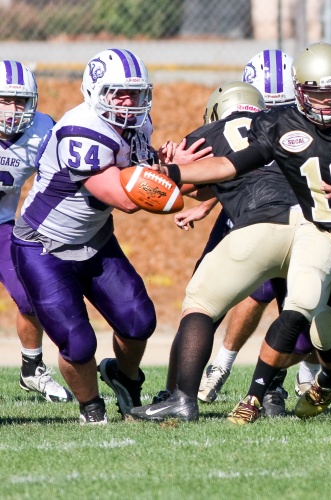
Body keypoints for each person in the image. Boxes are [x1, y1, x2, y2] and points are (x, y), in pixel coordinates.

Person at [130, 42, 331, 425]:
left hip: (315, 232)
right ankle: (289, 390)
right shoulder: (299, 121)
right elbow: (234, 168)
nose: (328, 102)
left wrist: (173, 174)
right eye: (319, 92)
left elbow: (228, 169)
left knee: (204, 300)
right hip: (319, 230)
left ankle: (186, 396)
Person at [10, 48, 200, 424]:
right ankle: (91, 408)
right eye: (119, 93)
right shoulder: (81, 131)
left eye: (136, 93)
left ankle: (124, 377)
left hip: (95, 240)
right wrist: (175, 176)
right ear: (95, 91)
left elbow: (147, 171)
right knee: (78, 343)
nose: (130, 103)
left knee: (138, 321)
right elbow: (126, 198)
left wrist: (174, 167)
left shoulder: (138, 126)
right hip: (43, 247)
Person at [198, 49, 321, 410]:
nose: (276, 115)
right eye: (269, 107)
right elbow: (232, 166)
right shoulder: (246, 122)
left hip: (296, 213)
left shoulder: (306, 121)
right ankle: (207, 372)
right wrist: (206, 205)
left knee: (296, 299)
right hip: (249, 210)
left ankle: (281, 379)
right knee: (212, 297)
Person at [0, 60, 72, 403]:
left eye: (20, 101)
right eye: (5, 100)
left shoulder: (43, 130)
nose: (13, 110)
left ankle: (31, 369)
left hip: (2, 224)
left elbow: (58, 176)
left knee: (29, 296)